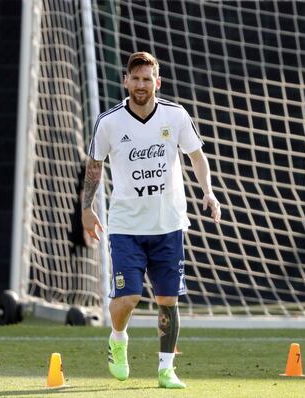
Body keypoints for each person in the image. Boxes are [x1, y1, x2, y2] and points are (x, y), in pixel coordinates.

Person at [81, 51, 221, 389]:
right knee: (128, 298)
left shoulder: (175, 116)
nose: (141, 85)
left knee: (168, 301)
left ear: (156, 82)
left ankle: (166, 369)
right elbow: (94, 167)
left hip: (168, 225)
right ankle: (118, 340)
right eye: (136, 78)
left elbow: (197, 157)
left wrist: (209, 191)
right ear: (125, 81)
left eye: (148, 79)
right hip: (126, 226)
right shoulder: (109, 122)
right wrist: (86, 208)